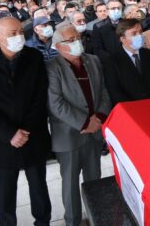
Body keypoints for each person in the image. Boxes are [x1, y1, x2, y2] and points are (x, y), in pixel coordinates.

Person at [0, 17, 51, 226]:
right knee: (5, 192)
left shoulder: (33, 57)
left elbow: (40, 96)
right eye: (12, 34)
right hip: (2, 140)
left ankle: (42, 222)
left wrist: (25, 130)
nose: (18, 37)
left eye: (20, 32)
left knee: (39, 187)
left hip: (33, 134)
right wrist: (10, 133)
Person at [46, 25, 112, 226]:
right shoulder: (52, 68)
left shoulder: (92, 60)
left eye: (78, 37)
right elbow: (55, 104)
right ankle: (72, 221)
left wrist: (99, 118)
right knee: (70, 184)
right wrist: (85, 122)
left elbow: (103, 92)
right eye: (70, 39)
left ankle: (97, 217)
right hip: (69, 135)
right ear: (58, 46)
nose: (77, 42)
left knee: (95, 180)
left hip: (94, 132)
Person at [105, 19, 150, 103]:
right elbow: (115, 90)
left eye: (140, 32)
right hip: (130, 109)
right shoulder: (112, 61)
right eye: (134, 33)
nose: (139, 36)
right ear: (122, 38)